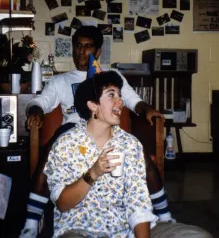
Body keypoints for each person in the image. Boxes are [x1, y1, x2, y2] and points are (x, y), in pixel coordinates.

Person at [20, 26, 170, 237]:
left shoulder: (111, 78)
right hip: (71, 129)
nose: (81, 52)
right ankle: (31, 222)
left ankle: (164, 216)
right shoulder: (60, 81)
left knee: (141, 155)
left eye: (88, 47)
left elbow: (133, 100)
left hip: (110, 132)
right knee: (51, 151)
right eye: (78, 46)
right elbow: (40, 102)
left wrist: (148, 110)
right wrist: (35, 112)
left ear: (97, 51)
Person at [44, 71, 213, 238]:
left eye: (119, 95)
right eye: (111, 95)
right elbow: (62, 204)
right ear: (92, 105)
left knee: (197, 235)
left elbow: (138, 205)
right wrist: (93, 173)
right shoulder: (66, 144)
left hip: (126, 230)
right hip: (78, 230)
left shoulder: (130, 144)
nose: (120, 101)